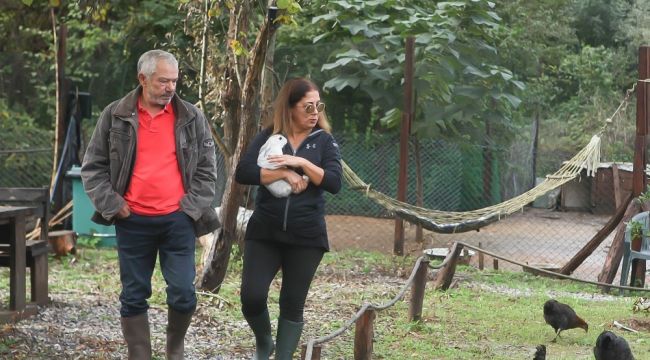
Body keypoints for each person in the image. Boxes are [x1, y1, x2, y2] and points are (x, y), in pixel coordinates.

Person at [81, 49, 218, 360]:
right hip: (132, 220)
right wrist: (113, 204)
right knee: (133, 295)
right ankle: (139, 355)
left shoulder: (191, 117)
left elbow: (208, 169)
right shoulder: (114, 115)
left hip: (178, 220)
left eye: (174, 81)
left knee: (184, 293)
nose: (170, 87)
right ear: (143, 79)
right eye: (162, 81)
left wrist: (191, 207)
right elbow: (92, 167)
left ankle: (175, 349)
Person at [235, 77, 343, 360]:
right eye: (307, 107)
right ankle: (263, 341)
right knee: (252, 296)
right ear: (290, 107)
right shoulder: (270, 137)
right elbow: (244, 172)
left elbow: (333, 182)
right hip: (265, 231)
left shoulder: (324, 141)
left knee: (292, 303)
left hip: (307, 236)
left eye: (318, 106)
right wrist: (283, 172)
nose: (314, 113)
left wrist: (303, 163)